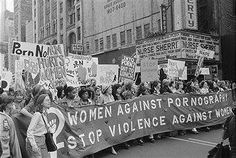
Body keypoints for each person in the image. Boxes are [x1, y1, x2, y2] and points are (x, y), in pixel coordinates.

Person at [26, 94, 53, 158]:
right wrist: (33, 145)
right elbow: (29, 131)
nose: (49, 101)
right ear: (41, 103)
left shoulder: (44, 114)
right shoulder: (37, 114)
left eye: (49, 100)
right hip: (35, 141)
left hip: (43, 140)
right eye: (47, 100)